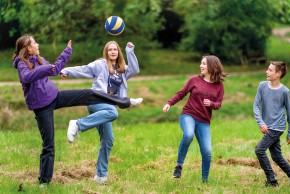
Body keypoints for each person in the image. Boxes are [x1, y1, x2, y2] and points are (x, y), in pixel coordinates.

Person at [13, 35, 142, 186]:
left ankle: (125, 102)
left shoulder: (40, 60)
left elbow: (54, 69)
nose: (38, 44)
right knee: (49, 144)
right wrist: (54, 69)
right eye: (35, 43)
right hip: (42, 105)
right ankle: (44, 182)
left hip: (55, 96)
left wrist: (66, 52)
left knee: (91, 100)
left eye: (115, 49)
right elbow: (28, 77)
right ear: (29, 48)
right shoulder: (22, 64)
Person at [60, 40, 140, 184]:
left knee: (108, 140)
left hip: (108, 106)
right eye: (110, 50)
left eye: (115, 49)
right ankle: (78, 124)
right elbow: (83, 69)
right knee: (113, 113)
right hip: (96, 101)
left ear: (118, 52)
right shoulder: (100, 65)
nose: (113, 52)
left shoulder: (122, 69)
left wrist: (130, 51)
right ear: (106, 52)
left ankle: (100, 176)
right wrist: (66, 70)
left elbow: (135, 70)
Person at [162, 55, 227, 182]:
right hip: (189, 115)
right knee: (188, 135)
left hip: (204, 122)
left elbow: (218, 104)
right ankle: (178, 167)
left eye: (204, 64)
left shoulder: (219, 86)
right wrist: (169, 103)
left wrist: (211, 104)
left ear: (212, 66)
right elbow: (181, 93)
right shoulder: (194, 80)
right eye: (201, 63)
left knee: (207, 152)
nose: (201, 66)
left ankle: (204, 181)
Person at [253, 61, 290, 187]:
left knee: (259, 150)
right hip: (267, 126)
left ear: (278, 73)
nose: (267, 72)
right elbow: (256, 106)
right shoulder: (262, 86)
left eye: (270, 70)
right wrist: (260, 122)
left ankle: (271, 180)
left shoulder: (285, 91)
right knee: (277, 156)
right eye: (267, 69)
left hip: (277, 127)